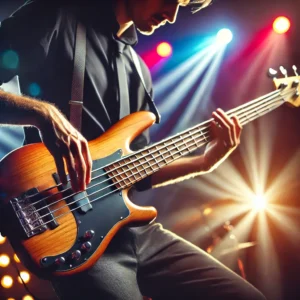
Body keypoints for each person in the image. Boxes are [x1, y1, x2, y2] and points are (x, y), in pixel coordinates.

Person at [0, 0, 266, 299]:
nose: (171, 15)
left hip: (133, 232)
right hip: (73, 235)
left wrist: (205, 162)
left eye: (184, 5)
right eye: (170, 0)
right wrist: (43, 115)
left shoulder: (138, 71)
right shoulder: (54, 14)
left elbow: (137, 172)